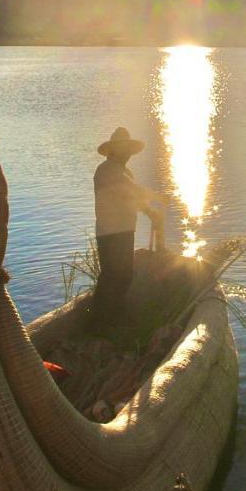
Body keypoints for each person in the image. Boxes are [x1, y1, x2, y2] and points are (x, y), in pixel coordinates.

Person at [90, 127, 162, 337]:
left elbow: (133, 199)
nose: (127, 154)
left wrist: (150, 211)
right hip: (110, 232)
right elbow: (131, 190)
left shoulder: (124, 172)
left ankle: (113, 320)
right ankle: (99, 324)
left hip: (124, 230)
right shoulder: (106, 171)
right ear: (113, 152)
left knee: (123, 276)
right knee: (113, 276)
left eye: (129, 150)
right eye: (123, 150)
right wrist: (157, 200)